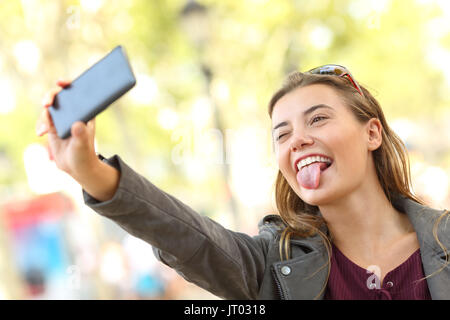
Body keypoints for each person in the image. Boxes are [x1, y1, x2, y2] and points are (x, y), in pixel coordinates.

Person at [36, 65, 450, 300]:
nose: (298, 139)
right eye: (282, 134)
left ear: (372, 133)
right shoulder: (270, 265)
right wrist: (90, 170)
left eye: (318, 118)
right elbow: (188, 238)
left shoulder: (443, 238)